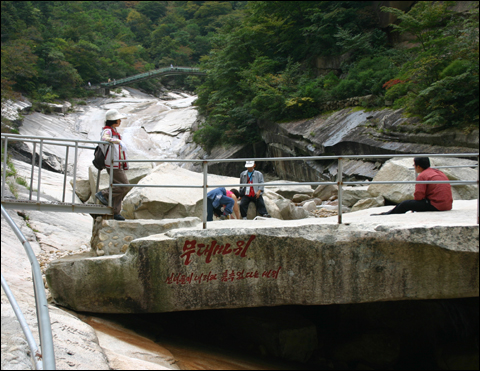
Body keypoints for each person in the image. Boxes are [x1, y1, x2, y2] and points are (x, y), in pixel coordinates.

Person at [371, 157, 453, 215]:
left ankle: (389, 214)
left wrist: (415, 205)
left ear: (418, 166)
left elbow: (419, 195)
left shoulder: (423, 175)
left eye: (414, 165)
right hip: (447, 205)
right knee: (408, 203)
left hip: (436, 205)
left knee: (405, 204)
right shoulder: (438, 172)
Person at [95, 109, 132, 221]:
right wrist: (118, 142)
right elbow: (104, 138)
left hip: (116, 162)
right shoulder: (108, 130)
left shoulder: (113, 130)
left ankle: (115, 212)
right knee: (124, 185)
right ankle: (103, 193)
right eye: (118, 119)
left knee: (118, 186)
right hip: (112, 163)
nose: (120, 121)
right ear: (114, 120)